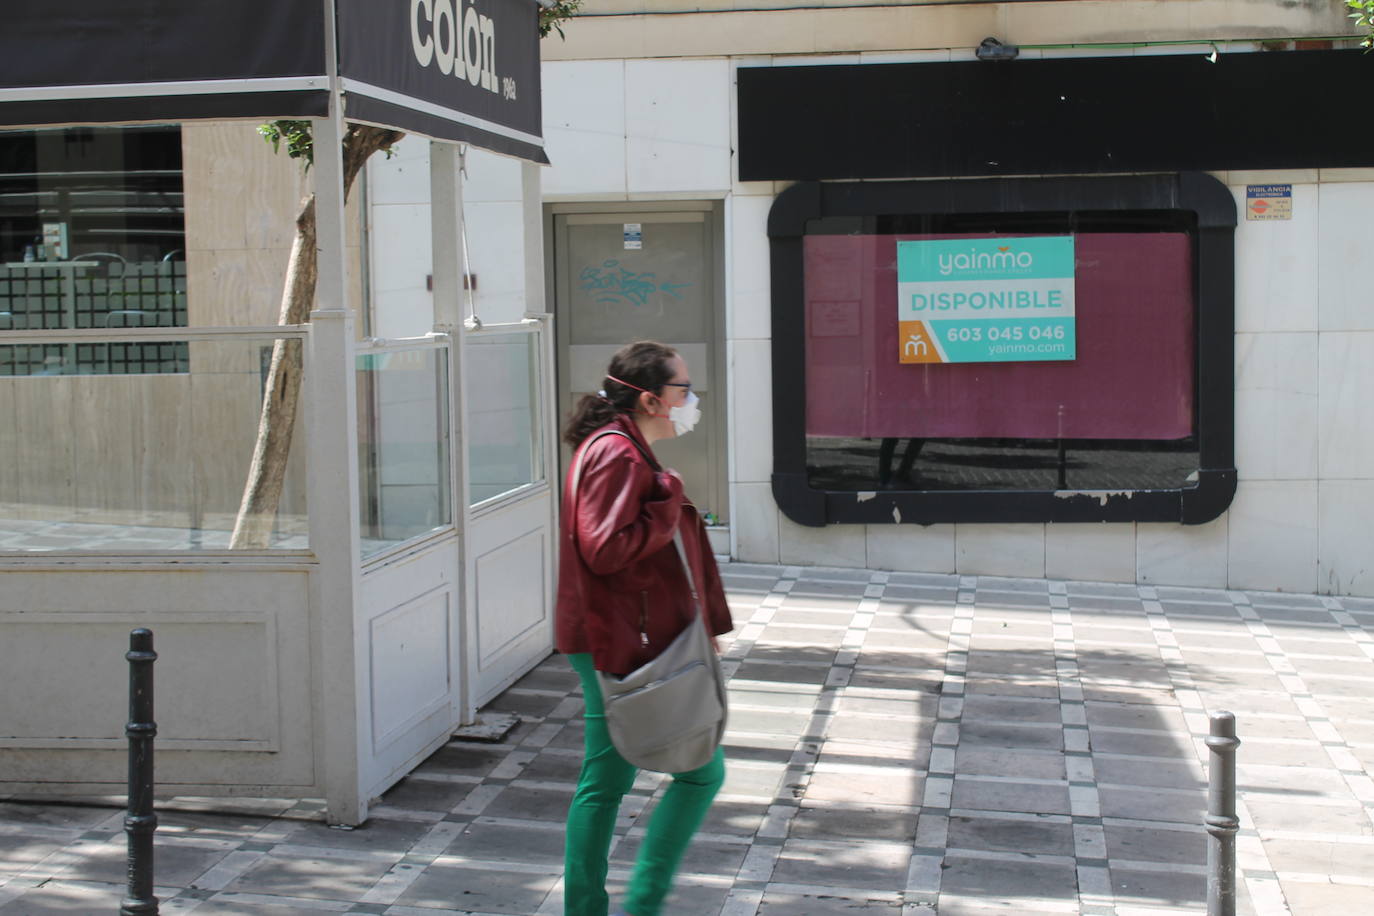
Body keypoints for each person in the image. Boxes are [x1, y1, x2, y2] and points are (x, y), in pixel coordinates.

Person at [556, 340, 733, 916]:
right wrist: (667, 500)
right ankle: (639, 903)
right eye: (684, 388)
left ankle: (603, 907)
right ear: (653, 400)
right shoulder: (618, 454)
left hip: (624, 638)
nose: (692, 399)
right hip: (620, 642)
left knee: (607, 783)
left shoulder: (622, 447)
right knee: (696, 774)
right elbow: (604, 549)